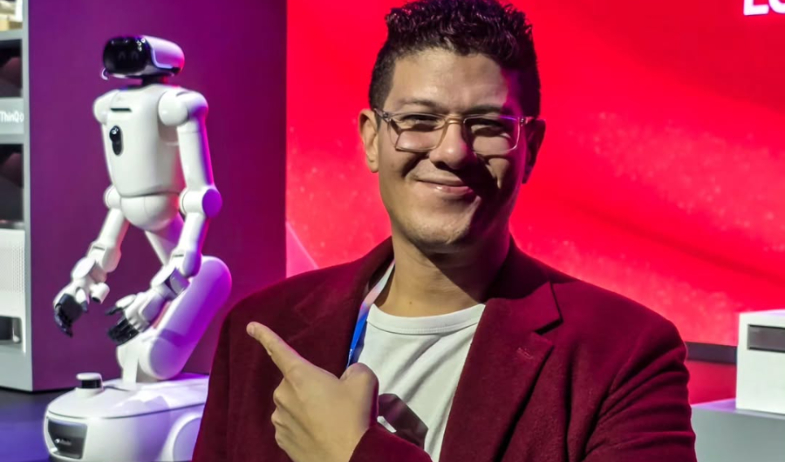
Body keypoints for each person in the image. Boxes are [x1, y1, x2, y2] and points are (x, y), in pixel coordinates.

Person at [192, 0, 697, 461]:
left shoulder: (622, 353)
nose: (453, 151)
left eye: (489, 125)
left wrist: (356, 454)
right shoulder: (262, 329)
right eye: (418, 119)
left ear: (531, 149)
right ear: (372, 139)